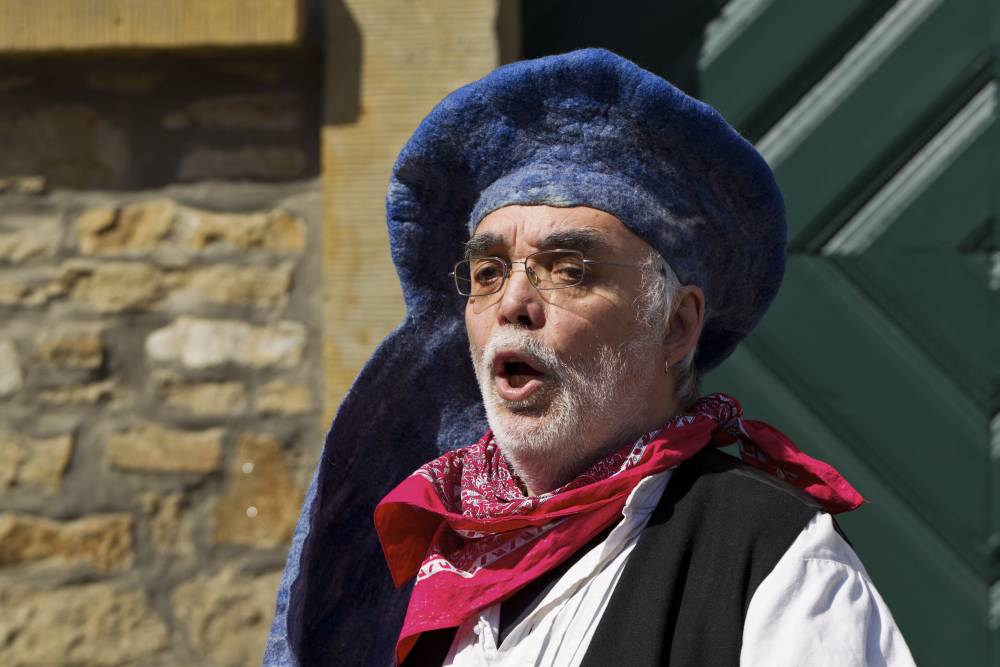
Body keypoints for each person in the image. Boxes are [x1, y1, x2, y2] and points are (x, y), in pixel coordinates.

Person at [264, 48, 915, 667]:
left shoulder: (773, 557)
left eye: (569, 270)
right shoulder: (421, 567)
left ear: (676, 325)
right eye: (488, 272)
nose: (513, 302)